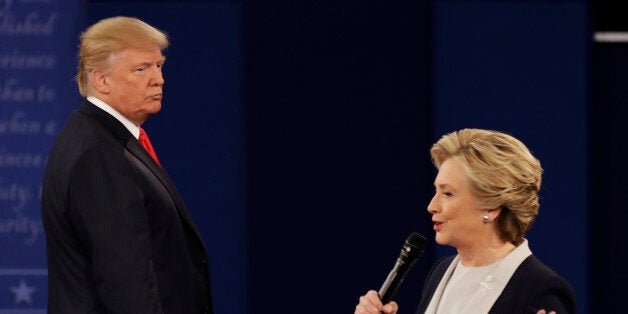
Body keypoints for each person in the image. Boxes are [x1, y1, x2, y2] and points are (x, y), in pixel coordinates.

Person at [41, 17, 213, 313]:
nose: (158, 79)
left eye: (159, 66)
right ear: (101, 80)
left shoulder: (101, 139)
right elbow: (125, 284)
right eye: (141, 68)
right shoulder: (99, 155)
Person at [355, 129, 576, 314]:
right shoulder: (441, 272)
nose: (432, 206)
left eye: (447, 193)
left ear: (491, 205)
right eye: (436, 191)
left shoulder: (540, 289)